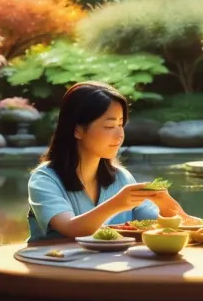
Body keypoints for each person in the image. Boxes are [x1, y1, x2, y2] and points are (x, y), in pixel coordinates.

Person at [27, 81, 191, 243]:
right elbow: (70, 228)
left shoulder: (121, 178)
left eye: (121, 124)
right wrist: (116, 204)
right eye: (109, 126)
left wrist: (164, 203)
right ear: (77, 130)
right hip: (54, 266)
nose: (120, 135)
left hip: (110, 268)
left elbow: (162, 226)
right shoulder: (45, 179)